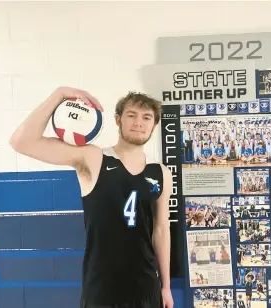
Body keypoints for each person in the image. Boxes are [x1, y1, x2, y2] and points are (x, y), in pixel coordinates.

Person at [9, 86, 174, 308]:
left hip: (145, 286)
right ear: (118, 120)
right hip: (101, 287)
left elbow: (161, 229)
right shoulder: (93, 157)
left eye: (146, 117)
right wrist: (58, 94)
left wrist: (166, 287)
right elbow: (21, 142)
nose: (138, 122)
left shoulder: (161, 173)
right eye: (131, 115)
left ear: (154, 125)